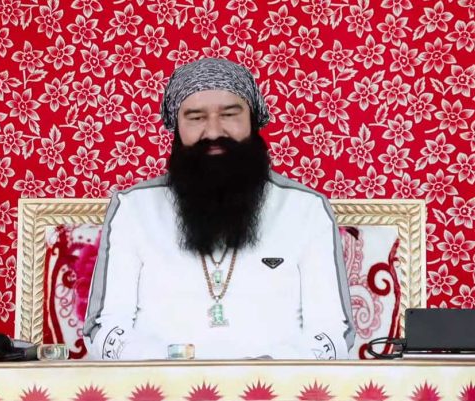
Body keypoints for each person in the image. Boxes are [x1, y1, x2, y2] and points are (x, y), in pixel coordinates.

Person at [82, 58, 355, 360]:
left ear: (253, 120)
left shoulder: (306, 209)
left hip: (274, 384)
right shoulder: (133, 209)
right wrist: (169, 369)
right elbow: (104, 329)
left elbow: (333, 332)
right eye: (196, 117)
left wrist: (267, 372)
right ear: (176, 126)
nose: (213, 131)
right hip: (160, 383)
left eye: (229, 114)